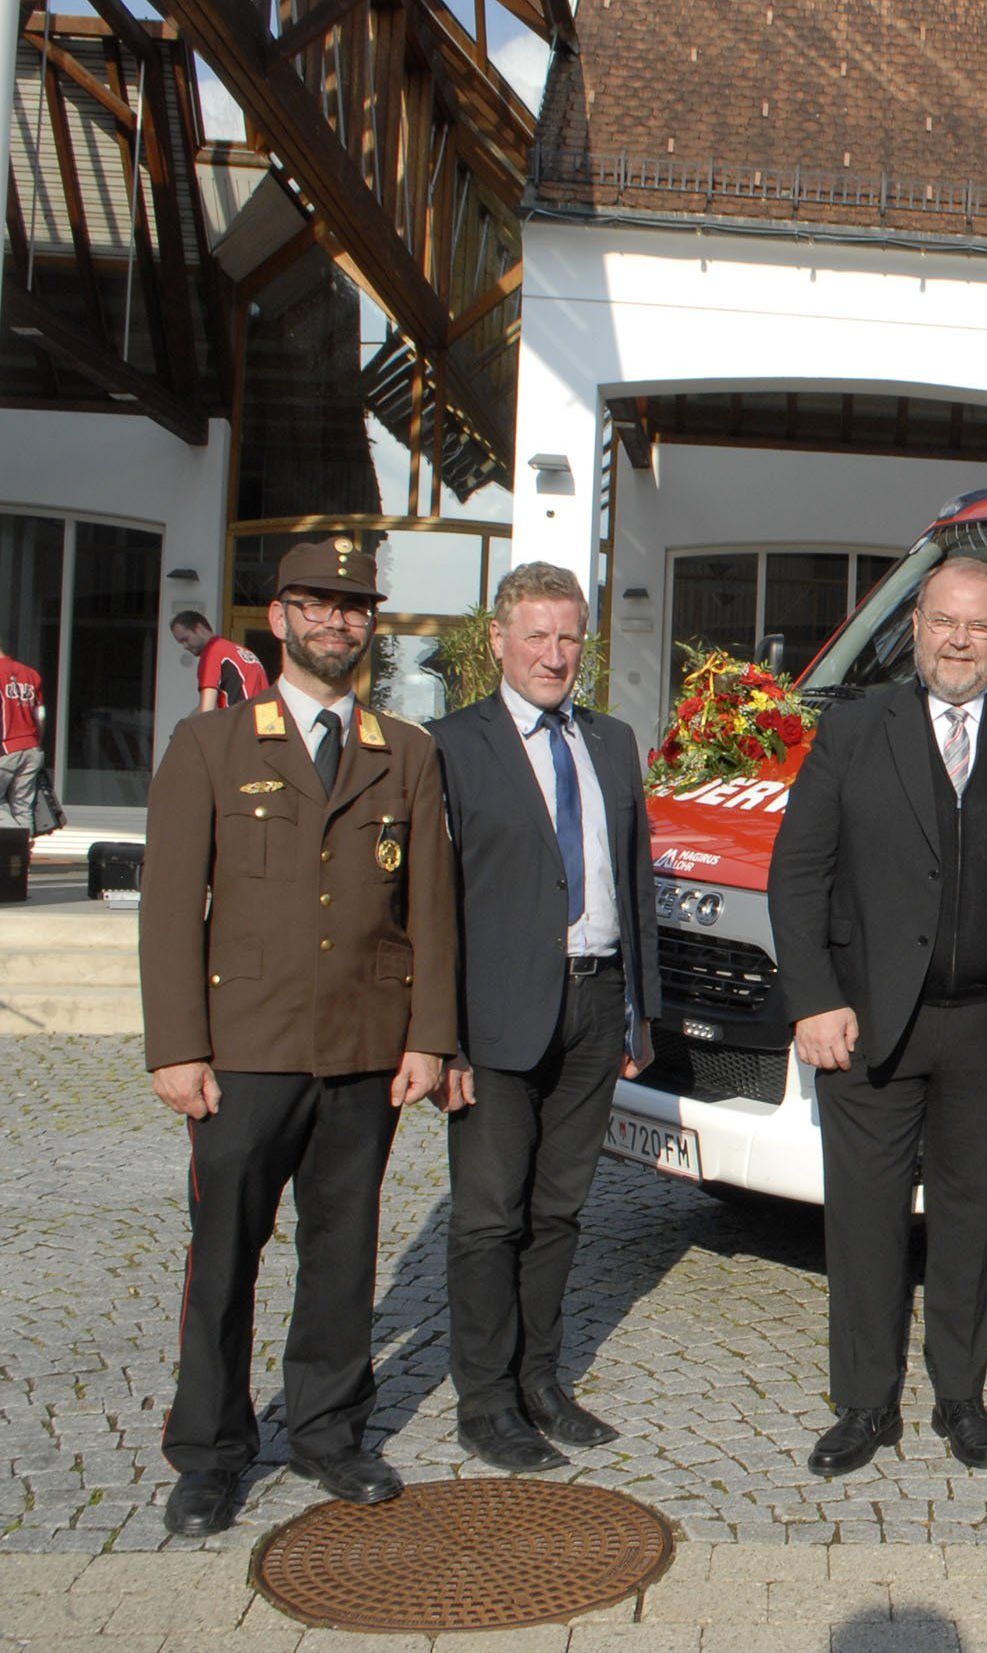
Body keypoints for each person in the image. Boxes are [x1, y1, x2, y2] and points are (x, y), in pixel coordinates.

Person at [137, 538, 457, 1537]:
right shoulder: (212, 744)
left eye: (354, 606)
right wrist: (176, 1046)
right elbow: (168, 906)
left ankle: (327, 1431)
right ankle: (209, 1450)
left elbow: (431, 908)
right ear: (277, 618)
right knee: (223, 1256)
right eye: (316, 603)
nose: (336, 621)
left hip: (363, 1047)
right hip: (245, 1047)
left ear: (371, 626)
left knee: (342, 1253)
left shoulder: (406, 752)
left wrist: (430, 1037)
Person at [766, 556, 987, 1478]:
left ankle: (961, 1398)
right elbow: (797, 875)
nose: (960, 642)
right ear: (914, 627)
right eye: (945, 623)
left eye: (980, 627)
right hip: (870, 1025)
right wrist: (814, 999)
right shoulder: (853, 730)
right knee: (864, 1222)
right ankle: (865, 1405)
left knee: (969, 1224)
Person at [428, 563, 661, 1472]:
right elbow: (431, 904)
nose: (555, 655)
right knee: (490, 1215)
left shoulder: (612, 741)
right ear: (498, 639)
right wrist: (439, 1038)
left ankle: (540, 1381)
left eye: (569, 638)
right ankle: (485, 1402)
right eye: (537, 635)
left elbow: (633, 880)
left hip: (597, 1005)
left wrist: (642, 1012)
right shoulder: (452, 746)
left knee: (561, 1209)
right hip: (495, 1018)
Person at [0, 630, 47, 832]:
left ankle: (16, 841)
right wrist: (37, 741)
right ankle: (25, 847)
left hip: (6, 748)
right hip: (32, 747)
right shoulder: (31, 674)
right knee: (23, 806)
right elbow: (41, 715)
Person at [171, 611, 269, 713]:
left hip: (241, 720)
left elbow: (207, 709)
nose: (185, 646)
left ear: (199, 628)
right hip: (265, 719)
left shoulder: (212, 653)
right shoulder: (242, 652)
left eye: (185, 639)